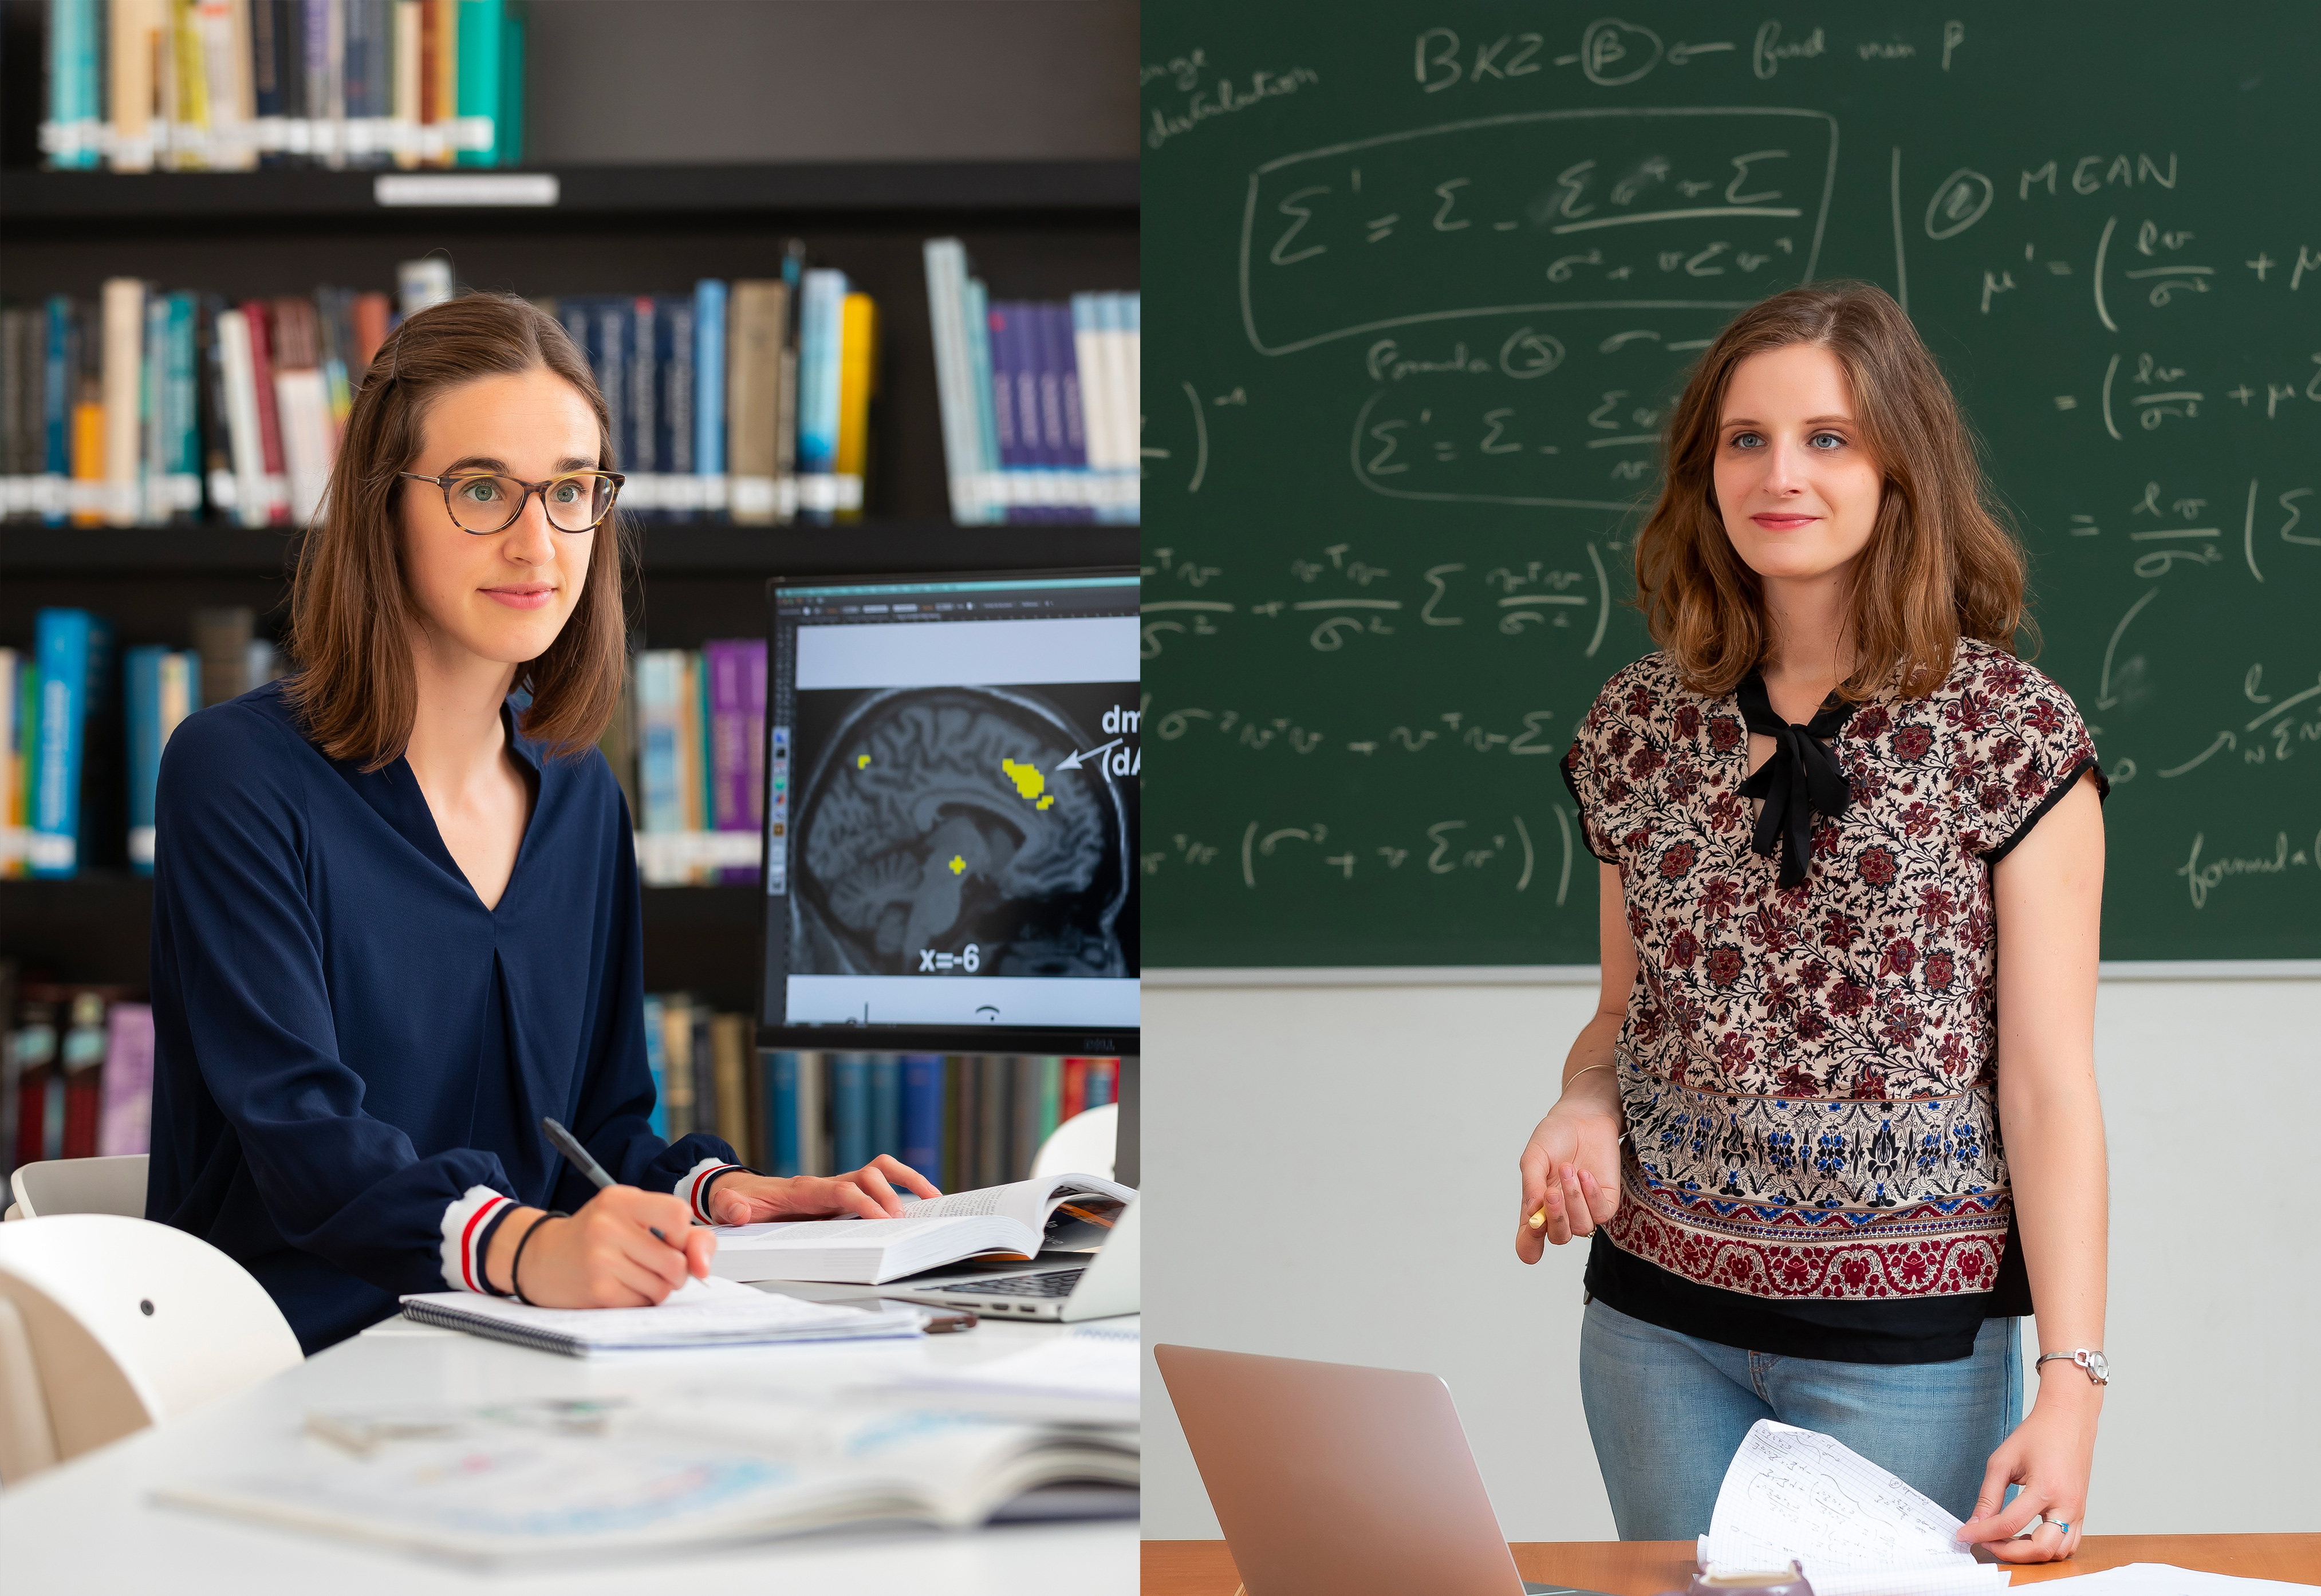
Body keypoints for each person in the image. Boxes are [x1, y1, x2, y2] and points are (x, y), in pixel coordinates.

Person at [147, 294, 936, 1354]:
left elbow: (595, 1132)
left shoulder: (580, 794)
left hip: (514, 1349)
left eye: (570, 491)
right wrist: (526, 1249)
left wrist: (728, 1196)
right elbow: (303, 1137)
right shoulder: (235, 773)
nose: (538, 544)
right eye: (482, 489)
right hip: (283, 1354)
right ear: (383, 508)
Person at [1518, 283, 2108, 1558]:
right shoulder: (1636, 726)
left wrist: (2071, 1382)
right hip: (1653, 1329)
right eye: (1746, 438)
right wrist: (1581, 1102)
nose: (1779, 473)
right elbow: (1622, 1013)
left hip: (1905, 1350)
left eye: (1826, 438)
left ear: (1898, 468)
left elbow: (2047, 1084)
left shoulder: (2009, 730)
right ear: (1705, 469)